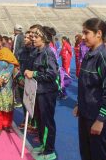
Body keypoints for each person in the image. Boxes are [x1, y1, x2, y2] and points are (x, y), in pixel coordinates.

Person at [73, 18, 106, 160]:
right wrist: (79, 104)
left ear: (98, 33)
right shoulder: (89, 53)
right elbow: (87, 85)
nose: (83, 36)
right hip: (86, 114)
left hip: (99, 117)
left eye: (86, 33)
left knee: (100, 156)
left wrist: (100, 120)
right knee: (86, 154)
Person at [25, 26, 60, 160]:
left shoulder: (48, 53)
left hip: (47, 92)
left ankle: (49, 150)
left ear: (44, 39)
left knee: (47, 121)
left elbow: (51, 74)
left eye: (36, 36)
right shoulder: (38, 51)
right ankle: (43, 144)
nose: (33, 38)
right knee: (39, 120)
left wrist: (34, 73)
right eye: (32, 36)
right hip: (38, 91)